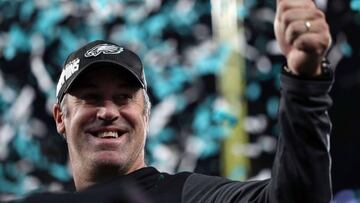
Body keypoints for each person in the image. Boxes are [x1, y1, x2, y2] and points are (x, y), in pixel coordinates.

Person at [24, 0, 334, 202]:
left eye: (124, 98)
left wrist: (304, 82)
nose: (108, 112)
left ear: (146, 115)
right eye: (91, 98)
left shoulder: (188, 196)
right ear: (60, 117)